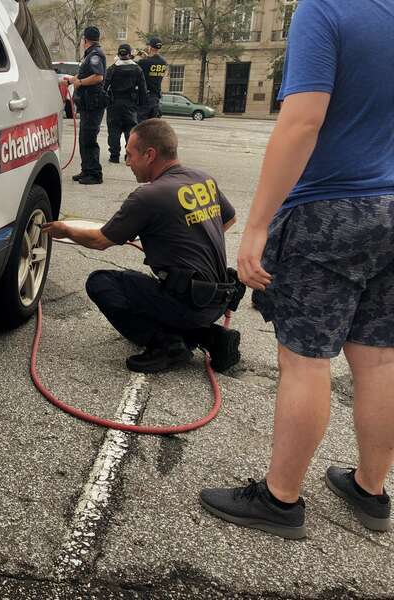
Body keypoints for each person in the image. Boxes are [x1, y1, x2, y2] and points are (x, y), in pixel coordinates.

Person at [200, 0, 394, 540]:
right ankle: (370, 489)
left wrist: (258, 224)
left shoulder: (326, 9)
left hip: (330, 209)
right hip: (390, 204)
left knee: (305, 361)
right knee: (379, 359)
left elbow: (303, 120)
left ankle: (280, 499)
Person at [42, 119, 242, 374]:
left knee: (102, 283)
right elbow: (229, 219)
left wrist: (65, 229)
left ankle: (167, 345)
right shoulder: (203, 179)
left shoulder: (148, 196)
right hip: (217, 298)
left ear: (150, 155)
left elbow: (100, 241)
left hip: (190, 302)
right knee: (145, 284)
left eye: (129, 155)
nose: (127, 163)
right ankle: (210, 336)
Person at [66, 26, 107, 185]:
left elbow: (98, 77)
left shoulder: (96, 55)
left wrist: (80, 82)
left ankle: (95, 174)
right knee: (84, 138)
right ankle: (86, 170)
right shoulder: (91, 54)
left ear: (85, 40)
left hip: (93, 103)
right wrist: (72, 80)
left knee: (89, 139)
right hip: (88, 103)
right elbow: (84, 74)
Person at [105, 43, 147, 164]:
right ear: (129, 54)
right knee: (130, 130)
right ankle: (129, 156)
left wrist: (105, 101)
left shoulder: (112, 68)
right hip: (130, 104)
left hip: (114, 103)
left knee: (113, 130)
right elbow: (143, 89)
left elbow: (104, 86)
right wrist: (141, 105)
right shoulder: (137, 69)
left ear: (118, 54)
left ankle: (114, 156)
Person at [137, 37, 167, 122]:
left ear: (150, 47)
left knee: (141, 126)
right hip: (156, 98)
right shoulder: (163, 62)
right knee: (152, 126)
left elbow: (134, 67)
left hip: (145, 98)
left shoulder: (144, 62)